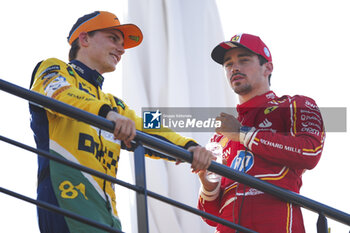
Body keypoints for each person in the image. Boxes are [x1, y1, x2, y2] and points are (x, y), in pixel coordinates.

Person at [29, 11, 213, 233]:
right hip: (66, 202)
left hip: (108, 215)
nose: (122, 49)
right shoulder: (55, 67)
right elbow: (60, 93)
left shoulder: (115, 103)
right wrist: (107, 114)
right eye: (113, 38)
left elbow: (151, 125)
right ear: (84, 39)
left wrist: (189, 147)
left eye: (122, 43)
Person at [197, 33, 325, 233]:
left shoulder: (295, 105)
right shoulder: (220, 135)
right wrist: (207, 179)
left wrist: (242, 133)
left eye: (244, 60)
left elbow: (310, 151)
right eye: (228, 64)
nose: (234, 68)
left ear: (268, 68)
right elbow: (211, 214)